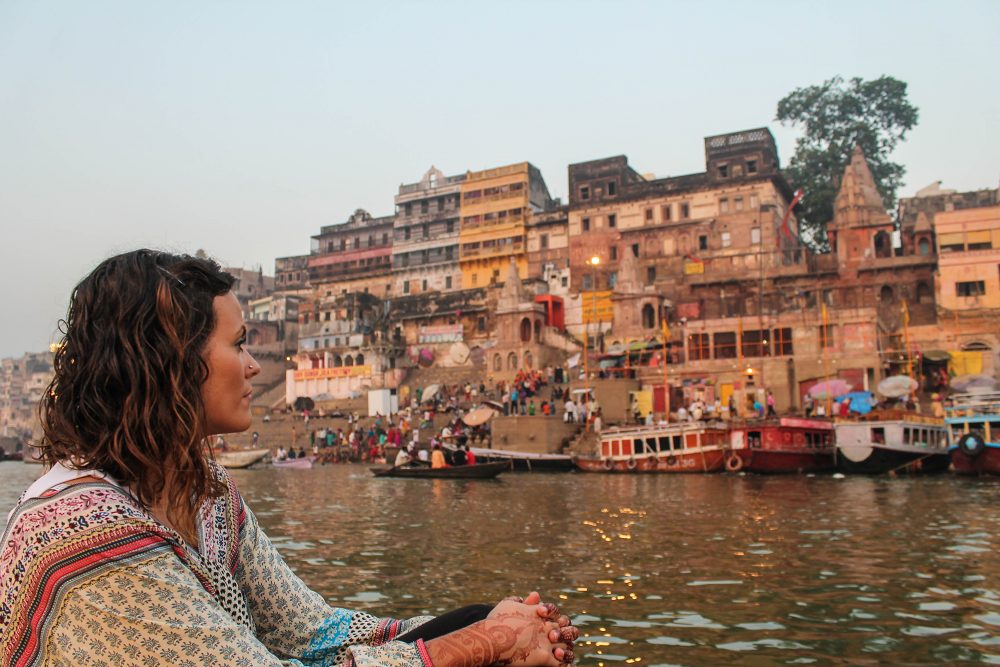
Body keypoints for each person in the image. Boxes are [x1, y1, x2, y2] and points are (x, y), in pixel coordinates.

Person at [0, 250, 577, 667]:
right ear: (168, 360)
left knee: (480, 618)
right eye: (237, 343)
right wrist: (489, 645)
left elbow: (313, 633)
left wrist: (496, 624)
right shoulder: (81, 530)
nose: (253, 365)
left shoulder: (206, 492)